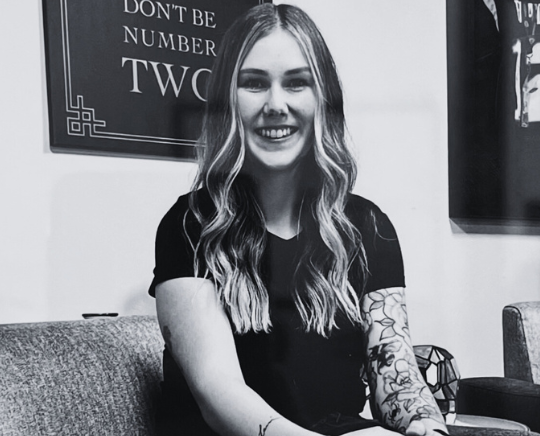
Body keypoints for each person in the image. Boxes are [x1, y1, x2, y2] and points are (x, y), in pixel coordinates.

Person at [149, 4, 448, 436]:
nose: (276, 105)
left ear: (322, 98)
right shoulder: (190, 224)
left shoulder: (368, 226)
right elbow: (218, 394)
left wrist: (425, 425)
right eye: (254, 83)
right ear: (227, 101)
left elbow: (396, 377)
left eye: (296, 83)